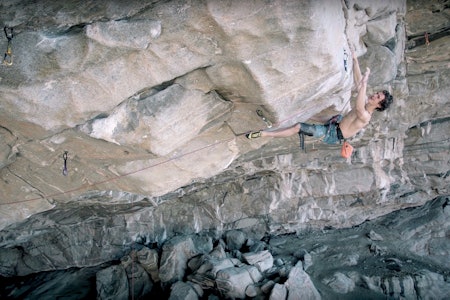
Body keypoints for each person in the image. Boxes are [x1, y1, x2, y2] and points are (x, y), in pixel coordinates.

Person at [246, 49, 393, 144]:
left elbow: (360, 103)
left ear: (379, 105)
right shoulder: (367, 101)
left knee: (298, 127)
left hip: (333, 134)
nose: (374, 95)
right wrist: (354, 60)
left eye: (377, 97)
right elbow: (359, 82)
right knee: (310, 115)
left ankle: (265, 134)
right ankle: (282, 117)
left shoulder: (366, 116)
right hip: (337, 122)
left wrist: (365, 82)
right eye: (377, 93)